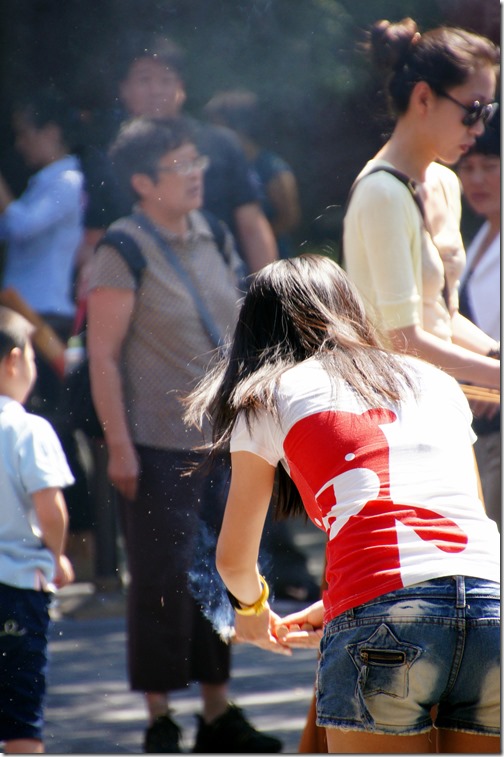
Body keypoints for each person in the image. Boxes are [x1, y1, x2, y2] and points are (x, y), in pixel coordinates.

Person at [184, 254, 500, 754]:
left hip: (381, 621)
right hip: (492, 606)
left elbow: (232, 561)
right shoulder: (435, 381)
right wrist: (336, 605)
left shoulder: (267, 394)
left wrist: (252, 608)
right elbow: (466, 522)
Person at [86, 116, 282, 754]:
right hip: (151, 444)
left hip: (220, 443)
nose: (197, 173)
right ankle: (159, 717)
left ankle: (217, 711)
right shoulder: (122, 247)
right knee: (163, 577)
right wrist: (117, 444)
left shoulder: (213, 232)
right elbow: (104, 356)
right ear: (143, 182)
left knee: (223, 571)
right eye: (180, 165)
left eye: (197, 160)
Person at [342, 19, 500, 394]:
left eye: (488, 112)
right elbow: (403, 340)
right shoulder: (382, 191)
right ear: (424, 98)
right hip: (392, 411)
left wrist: (497, 355)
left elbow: (443, 318)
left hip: (438, 403)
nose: (479, 129)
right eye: (473, 110)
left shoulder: (445, 181)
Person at [78, 33, 277, 289]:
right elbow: (95, 240)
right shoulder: (108, 158)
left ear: (181, 88)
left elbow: (252, 224)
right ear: (123, 90)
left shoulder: (221, 144)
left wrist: (269, 295)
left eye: (166, 79)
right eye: (144, 80)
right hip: (144, 291)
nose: (156, 90)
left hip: (221, 283)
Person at [0, 88, 93, 573]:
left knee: (49, 429)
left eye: (25, 133)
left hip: (41, 320)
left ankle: (77, 538)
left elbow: (17, 226)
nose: (19, 144)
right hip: (26, 314)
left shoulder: (66, 177)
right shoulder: (47, 179)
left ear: (51, 132)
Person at [0, 305, 75, 754]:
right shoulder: (27, 429)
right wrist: (56, 554)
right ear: (12, 360)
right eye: (30, 357)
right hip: (17, 587)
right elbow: (52, 509)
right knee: (21, 720)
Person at [456, 111, 500, 530]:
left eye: (490, 166)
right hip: (483, 423)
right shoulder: (479, 237)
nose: (477, 179)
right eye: (468, 167)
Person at [203, 89, 301, 259]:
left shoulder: (273, 168)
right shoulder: (219, 168)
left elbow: (289, 217)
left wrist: (254, 240)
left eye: (215, 123)